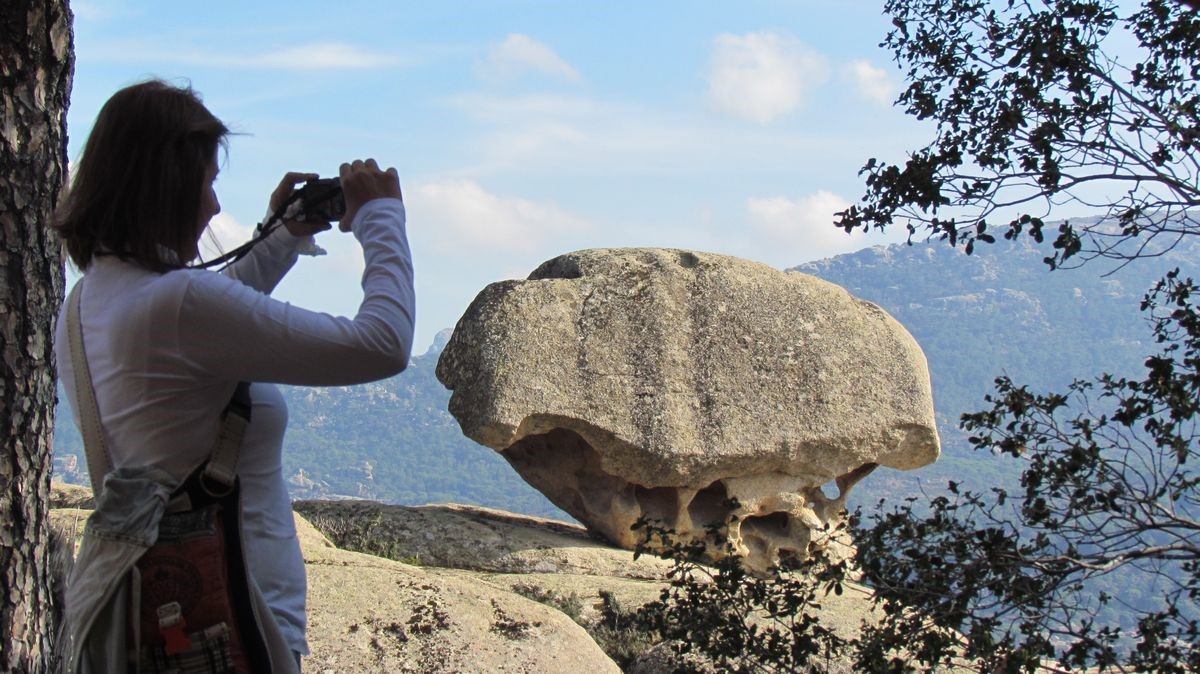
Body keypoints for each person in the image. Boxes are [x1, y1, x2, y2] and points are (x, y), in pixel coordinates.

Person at [53, 79, 414, 671]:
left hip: (166, 615)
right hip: (237, 627)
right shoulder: (174, 306)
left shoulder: (88, 304)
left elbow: (207, 327)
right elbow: (384, 344)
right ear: (166, 187)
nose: (215, 207)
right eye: (207, 184)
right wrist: (381, 219)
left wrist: (281, 235)